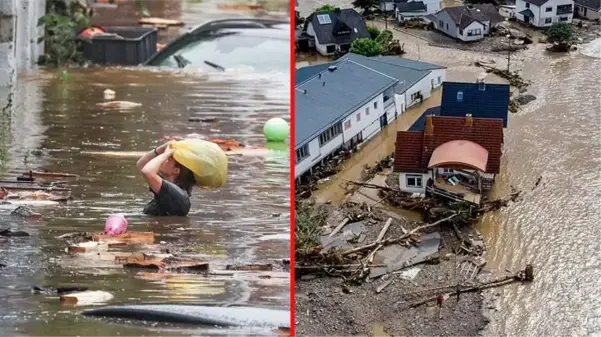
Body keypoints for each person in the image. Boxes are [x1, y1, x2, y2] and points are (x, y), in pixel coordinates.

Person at [136, 142, 197, 216]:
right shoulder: (169, 185)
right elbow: (142, 166)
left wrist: (166, 154)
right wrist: (161, 149)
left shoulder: (177, 194)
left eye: (168, 159)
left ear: (176, 170)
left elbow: (147, 172)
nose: (163, 159)